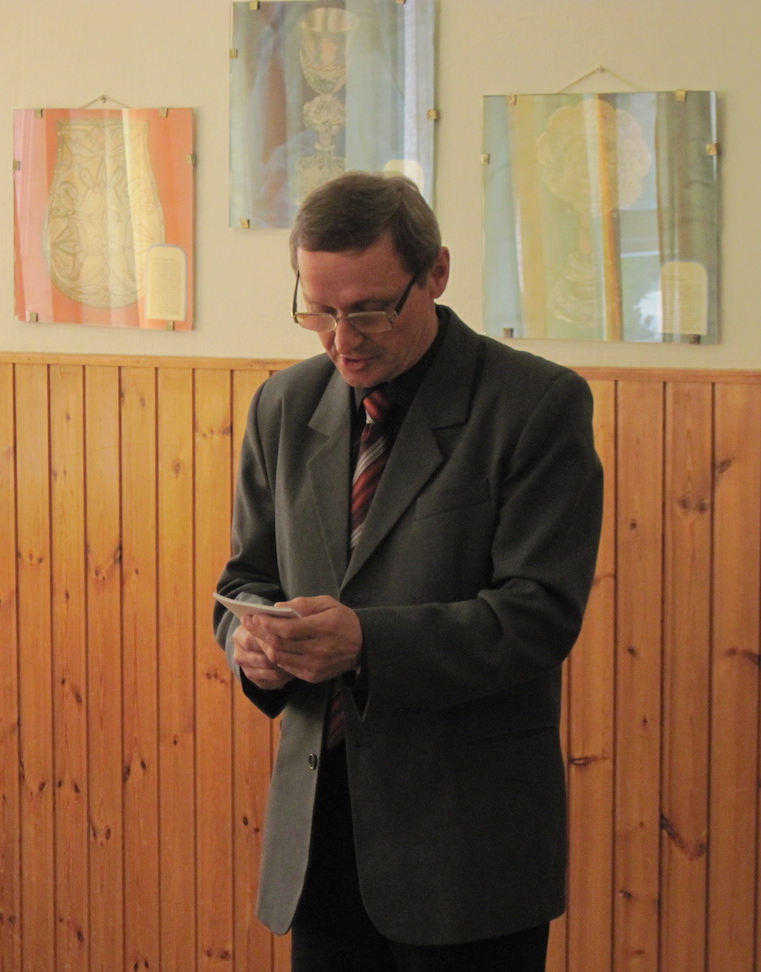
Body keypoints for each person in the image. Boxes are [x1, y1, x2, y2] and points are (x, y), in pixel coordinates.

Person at [214, 171, 603, 972]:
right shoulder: (283, 405)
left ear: (436, 273)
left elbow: (538, 615)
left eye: (368, 309)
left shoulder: (535, 404)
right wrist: (248, 644)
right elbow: (246, 579)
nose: (341, 339)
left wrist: (365, 644)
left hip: (466, 849)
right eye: (318, 310)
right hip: (320, 839)